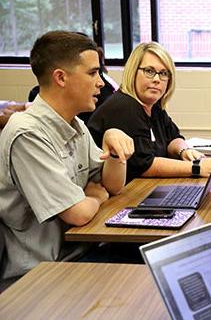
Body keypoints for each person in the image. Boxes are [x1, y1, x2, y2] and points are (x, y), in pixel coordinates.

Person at [0, 31, 134, 287]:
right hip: (43, 273)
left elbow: (112, 186)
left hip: (84, 251)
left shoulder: (74, 124)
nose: (102, 83)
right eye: (93, 73)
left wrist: (115, 146)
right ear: (60, 77)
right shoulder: (27, 134)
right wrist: (94, 197)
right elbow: (78, 213)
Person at [88, 42, 211, 183]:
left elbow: (173, 138)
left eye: (163, 73)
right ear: (133, 72)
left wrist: (184, 151)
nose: (157, 80)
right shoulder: (124, 106)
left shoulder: (153, 105)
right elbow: (144, 165)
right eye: (149, 71)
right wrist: (197, 167)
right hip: (119, 197)